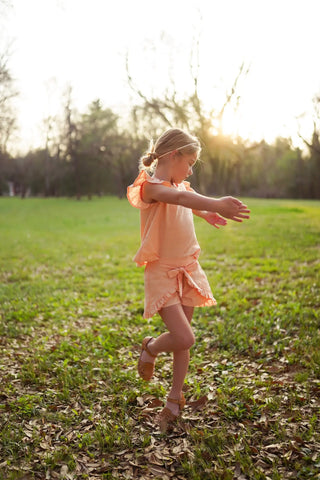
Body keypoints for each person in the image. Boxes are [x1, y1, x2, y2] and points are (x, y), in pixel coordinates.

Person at [127, 128, 250, 433]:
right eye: (190, 160)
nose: (191, 168)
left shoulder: (181, 184)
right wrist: (216, 204)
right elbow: (178, 198)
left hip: (188, 268)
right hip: (163, 272)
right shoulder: (151, 187)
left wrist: (204, 213)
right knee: (185, 337)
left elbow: (186, 200)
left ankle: (174, 399)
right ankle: (151, 348)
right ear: (173, 155)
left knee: (184, 342)